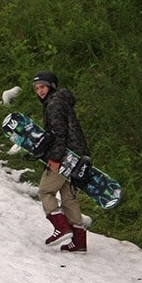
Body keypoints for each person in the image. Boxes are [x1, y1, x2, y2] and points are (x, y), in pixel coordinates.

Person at [32, 70, 91, 253]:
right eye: (37, 88)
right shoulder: (61, 101)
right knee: (69, 196)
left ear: (51, 86)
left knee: (45, 191)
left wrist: (55, 158)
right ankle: (79, 241)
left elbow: (60, 133)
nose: (40, 91)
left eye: (42, 87)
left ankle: (62, 228)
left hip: (66, 156)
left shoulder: (54, 104)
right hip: (78, 155)